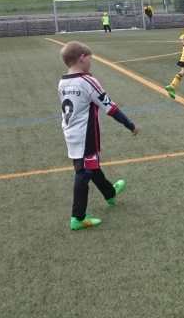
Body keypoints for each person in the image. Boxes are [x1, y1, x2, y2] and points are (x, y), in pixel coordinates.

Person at [57, 41, 138, 230]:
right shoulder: (87, 81)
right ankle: (78, 217)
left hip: (70, 132)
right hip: (86, 134)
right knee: (83, 172)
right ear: (82, 58)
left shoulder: (63, 82)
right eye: (89, 59)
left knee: (91, 165)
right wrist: (130, 125)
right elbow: (110, 107)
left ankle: (109, 193)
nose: (90, 62)